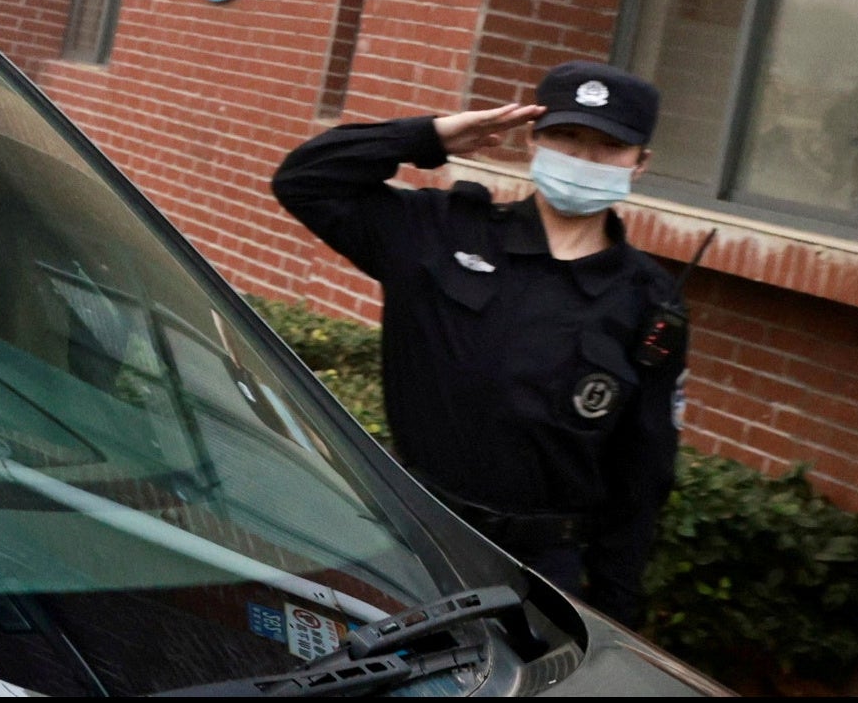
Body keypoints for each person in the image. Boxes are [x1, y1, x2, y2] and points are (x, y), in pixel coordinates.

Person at [271, 62, 685, 624]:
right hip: (408, 545)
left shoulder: (650, 301)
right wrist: (432, 135)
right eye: (567, 136)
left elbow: (642, 474)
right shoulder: (443, 231)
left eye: (608, 145)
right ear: (535, 140)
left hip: (538, 577)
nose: (584, 158)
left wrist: (613, 616)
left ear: (640, 164)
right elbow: (304, 179)